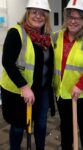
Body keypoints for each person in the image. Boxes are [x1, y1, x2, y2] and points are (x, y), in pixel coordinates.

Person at [0, 0, 55, 149]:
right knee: (18, 125)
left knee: (41, 124)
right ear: (28, 13)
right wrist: (24, 87)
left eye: (42, 13)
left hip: (41, 90)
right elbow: (7, 62)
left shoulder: (46, 38)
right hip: (18, 92)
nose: (38, 16)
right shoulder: (16, 33)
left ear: (46, 17)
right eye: (34, 12)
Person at [52, 0, 83, 149]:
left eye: (78, 18)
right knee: (66, 126)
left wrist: (80, 85)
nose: (73, 21)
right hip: (62, 93)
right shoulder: (56, 36)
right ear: (66, 18)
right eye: (70, 17)